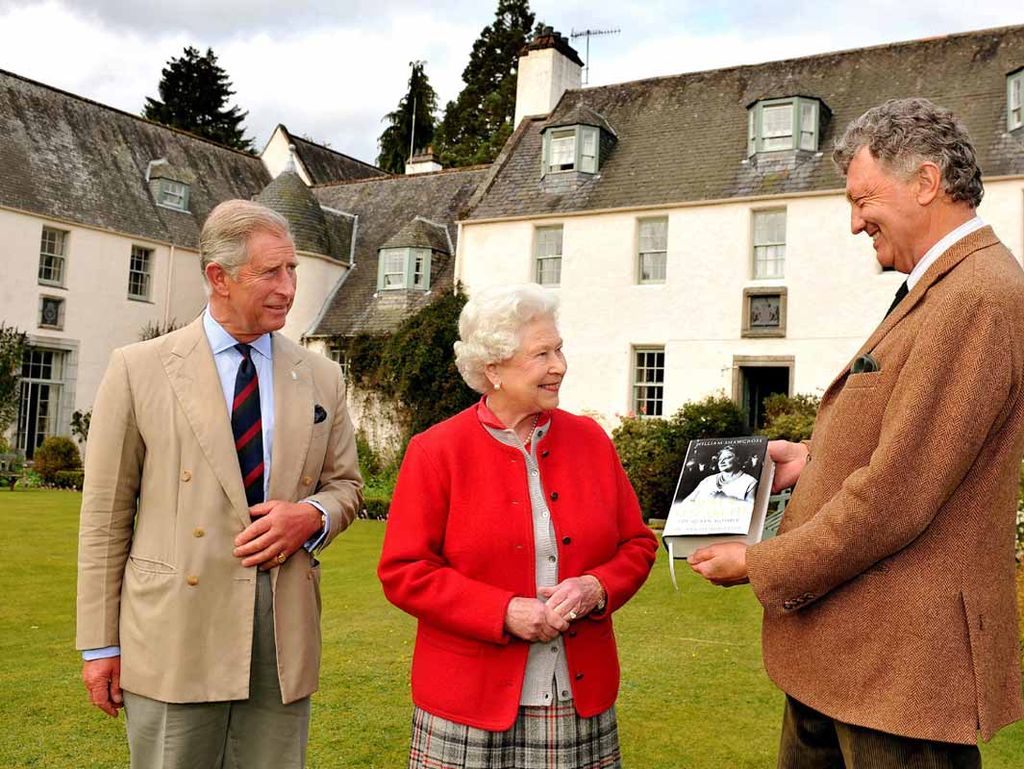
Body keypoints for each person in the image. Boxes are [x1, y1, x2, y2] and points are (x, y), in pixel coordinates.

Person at [690, 97, 1024, 768]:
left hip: (901, 678)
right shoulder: (943, 287)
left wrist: (760, 563)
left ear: (926, 183)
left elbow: (896, 496)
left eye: (863, 199)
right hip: (850, 667)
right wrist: (812, 461)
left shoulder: (978, 298)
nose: (853, 223)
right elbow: (911, 446)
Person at [76, 199, 363, 769]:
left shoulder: (322, 375)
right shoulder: (138, 369)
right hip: (173, 632)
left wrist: (312, 516)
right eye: (272, 272)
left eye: (293, 270)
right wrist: (101, 644)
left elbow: (347, 487)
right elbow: (105, 517)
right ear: (219, 278)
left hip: (279, 631)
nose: (289, 287)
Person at [378, 283, 657, 769]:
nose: (560, 366)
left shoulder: (590, 440)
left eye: (560, 349)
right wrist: (504, 611)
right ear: (493, 370)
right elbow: (405, 571)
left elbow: (636, 543)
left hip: (576, 697)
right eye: (541, 354)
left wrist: (596, 587)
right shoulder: (436, 451)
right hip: (467, 704)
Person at [683, 446, 757, 502]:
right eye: (720, 459)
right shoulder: (708, 480)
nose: (722, 462)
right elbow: (686, 503)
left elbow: (751, 508)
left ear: (738, 459)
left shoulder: (750, 482)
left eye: (727, 458)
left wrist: (726, 499)